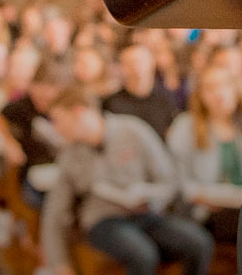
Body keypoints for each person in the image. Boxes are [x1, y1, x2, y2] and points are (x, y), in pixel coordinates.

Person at [41, 88, 213, 275]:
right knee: (142, 254)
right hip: (104, 221)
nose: (56, 129)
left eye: (58, 120)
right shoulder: (69, 154)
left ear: (78, 112)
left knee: (199, 243)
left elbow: (169, 180)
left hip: (146, 214)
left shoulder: (133, 131)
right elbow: (55, 212)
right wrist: (59, 263)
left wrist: (151, 198)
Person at [165, 65, 242, 241]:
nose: (219, 94)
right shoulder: (186, 126)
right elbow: (182, 185)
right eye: (210, 88)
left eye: (225, 85)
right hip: (206, 213)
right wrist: (222, 197)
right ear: (200, 95)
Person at [0, 62, 70, 209]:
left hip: (58, 173)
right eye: (39, 88)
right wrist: (9, 143)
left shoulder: (61, 110)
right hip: (31, 176)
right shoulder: (23, 106)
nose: (44, 96)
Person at [104, 45, 180, 139]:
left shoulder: (166, 99)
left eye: (140, 62)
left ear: (152, 63)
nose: (136, 68)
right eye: (129, 63)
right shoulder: (111, 103)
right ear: (121, 68)